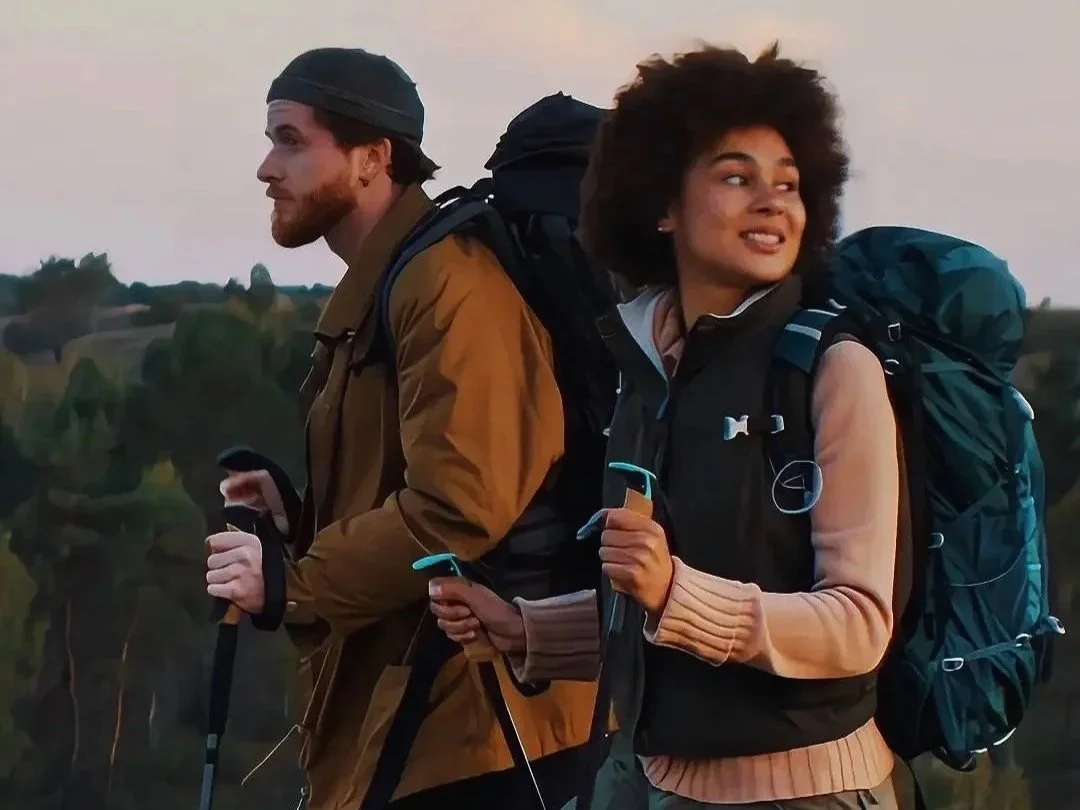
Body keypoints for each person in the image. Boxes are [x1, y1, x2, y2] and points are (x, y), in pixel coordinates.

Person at [428, 42, 903, 809]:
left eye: (789, 184)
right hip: (647, 781)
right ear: (661, 204)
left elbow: (856, 625)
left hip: (807, 793)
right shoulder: (647, 367)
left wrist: (676, 590)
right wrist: (523, 629)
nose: (773, 202)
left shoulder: (832, 369)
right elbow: (642, 603)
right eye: (736, 177)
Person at [203, 47, 598, 810]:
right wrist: (301, 518)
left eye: (290, 140)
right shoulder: (391, 282)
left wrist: (296, 584)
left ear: (371, 158)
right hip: (423, 718)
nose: (264, 167)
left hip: (484, 725)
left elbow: (462, 504)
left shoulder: (451, 283)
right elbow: (413, 477)